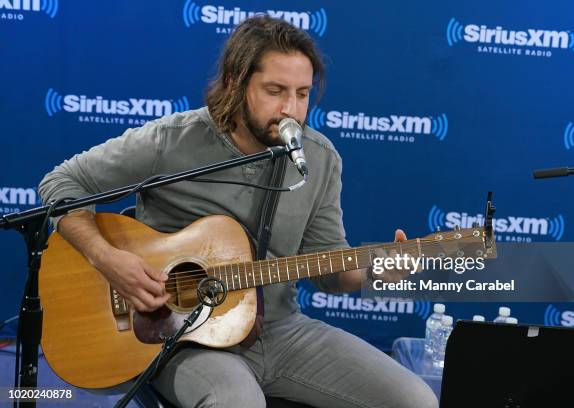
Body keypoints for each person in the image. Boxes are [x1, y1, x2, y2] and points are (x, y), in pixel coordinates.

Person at [39, 16, 438, 408]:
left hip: (281, 331)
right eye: (275, 90)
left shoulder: (319, 158)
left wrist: (377, 272)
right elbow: (61, 184)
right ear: (235, 82)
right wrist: (108, 259)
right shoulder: (173, 139)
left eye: (302, 93)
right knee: (236, 401)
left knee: (415, 399)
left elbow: (333, 273)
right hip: (180, 335)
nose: (291, 109)